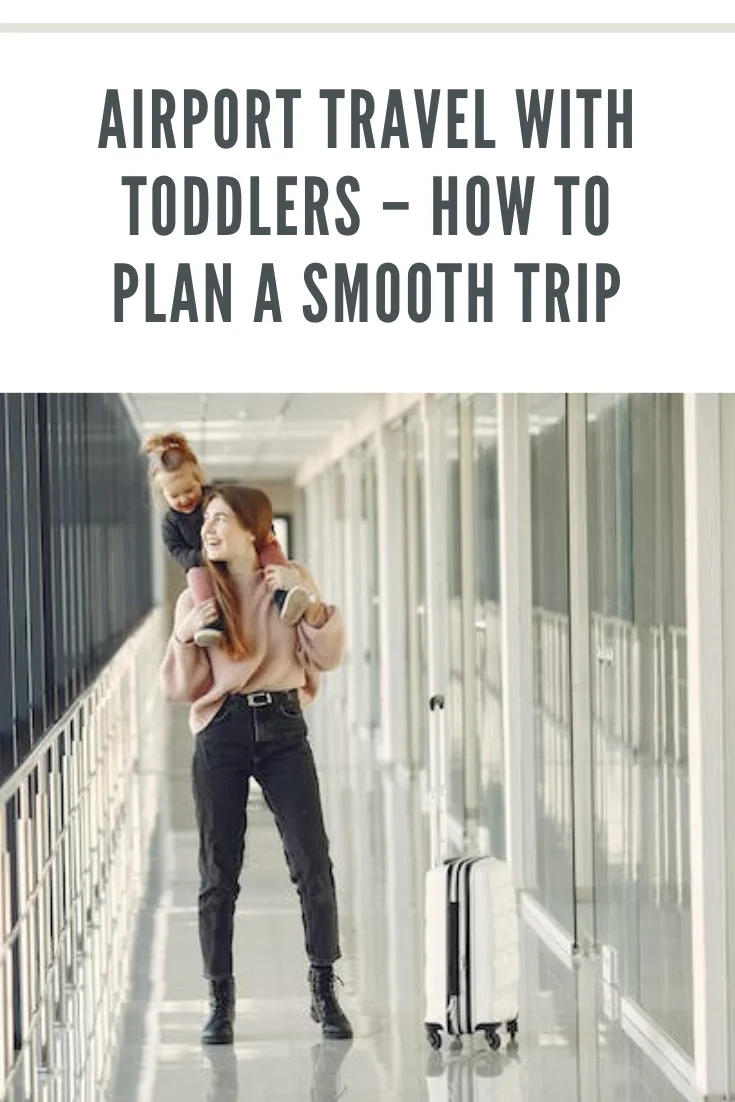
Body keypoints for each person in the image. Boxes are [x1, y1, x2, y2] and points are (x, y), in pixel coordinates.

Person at [159, 484, 353, 1046]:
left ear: (254, 530)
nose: (208, 530)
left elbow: (327, 656)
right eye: (206, 522)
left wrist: (311, 605)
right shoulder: (197, 596)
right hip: (220, 731)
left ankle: (324, 989)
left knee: (312, 861)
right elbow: (180, 685)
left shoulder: (287, 580)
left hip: (284, 728)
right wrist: (184, 634)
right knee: (218, 873)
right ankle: (219, 1001)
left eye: (221, 520)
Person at [144, 431, 314, 644]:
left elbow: (249, 512)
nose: (184, 499)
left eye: (189, 490)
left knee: (269, 547)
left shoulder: (219, 497)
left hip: (240, 549)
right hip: (202, 562)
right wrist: (200, 557)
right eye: (174, 496)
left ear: (200, 479)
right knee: (196, 576)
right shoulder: (170, 522)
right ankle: (213, 623)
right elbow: (176, 551)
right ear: (163, 496)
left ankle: (284, 595)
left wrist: (265, 529)